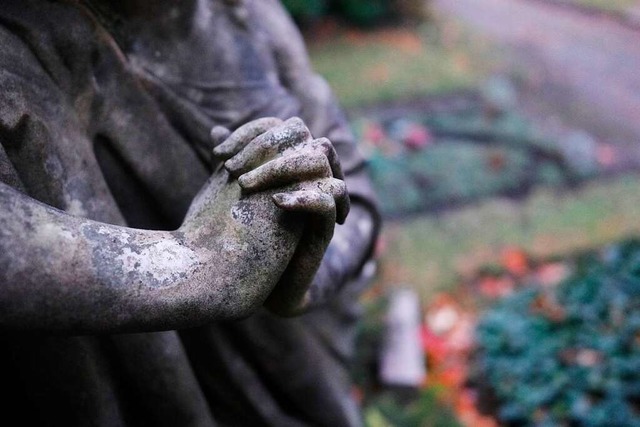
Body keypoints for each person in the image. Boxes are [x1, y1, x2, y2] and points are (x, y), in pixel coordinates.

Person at [0, 0, 380, 425]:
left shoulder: (250, 13)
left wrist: (307, 280)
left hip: (299, 362)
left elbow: (354, 187)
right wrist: (196, 259)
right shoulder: (20, 55)